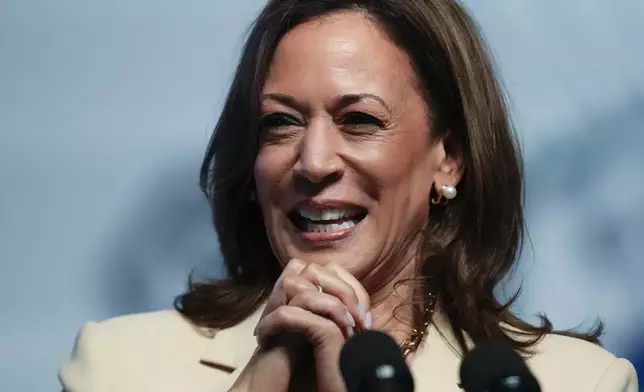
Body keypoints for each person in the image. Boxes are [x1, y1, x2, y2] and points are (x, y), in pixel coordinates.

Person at [59, 0, 639, 391]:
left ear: (449, 158)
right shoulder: (119, 367)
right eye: (280, 123)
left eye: (359, 120)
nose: (312, 162)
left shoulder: (575, 382)